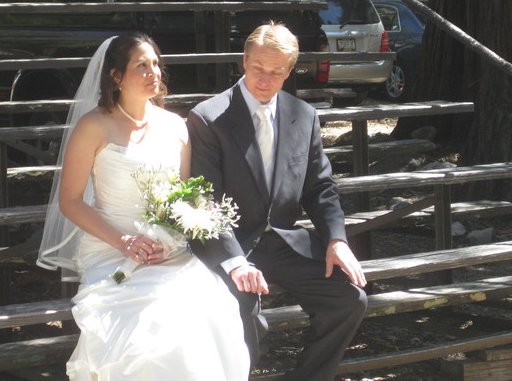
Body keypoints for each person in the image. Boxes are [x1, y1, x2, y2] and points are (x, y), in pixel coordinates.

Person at [36, 34, 249, 381]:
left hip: (170, 252)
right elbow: (70, 201)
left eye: (155, 64)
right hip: (111, 251)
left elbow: (186, 196)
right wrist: (125, 242)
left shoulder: (176, 127)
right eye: (141, 65)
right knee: (151, 338)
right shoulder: (94, 126)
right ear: (116, 76)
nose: (154, 72)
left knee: (212, 312)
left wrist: (174, 235)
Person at [187, 22, 368, 381]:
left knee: (349, 301)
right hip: (230, 244)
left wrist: (336, 240)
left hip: (285, 242)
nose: (265, 79)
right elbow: (203, 200)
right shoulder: (208, 117)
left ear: (289, 71)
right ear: (244, 61)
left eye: (277, 71)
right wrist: (235, 263)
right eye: (258, 68)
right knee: (241, 311)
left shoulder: (304, 115)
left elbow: (320, 187)